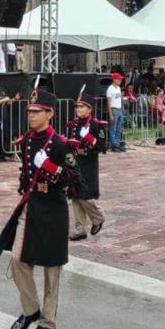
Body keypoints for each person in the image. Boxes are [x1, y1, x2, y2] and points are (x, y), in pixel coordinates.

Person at [0, 89, 81, 329]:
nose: (30, 116)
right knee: (18, 260)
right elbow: (25, 175)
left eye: (36, 112)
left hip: (53, 209)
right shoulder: (28, 141)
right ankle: (30, 309)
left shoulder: (62, 145)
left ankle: (48, 320)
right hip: (31, 207)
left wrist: (50, 167)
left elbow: (75, 182)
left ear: (50, 114)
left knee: (52, 268)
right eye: (29, 111)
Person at [66, 91, 106, 241]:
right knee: (75, 196)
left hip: (88, 163)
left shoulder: (96, 126)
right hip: (75, 163)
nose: (78, 109)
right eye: (77, 107)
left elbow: (102, 147)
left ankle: (99, 217)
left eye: (82, 107)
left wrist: (89, 137)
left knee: (84, 195)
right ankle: (80, 229)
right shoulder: (74, 124)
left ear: (90, 109)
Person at [106, 72, 123, 152]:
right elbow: (109, 102)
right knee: (113, 128)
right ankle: (113, 145)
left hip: (119, 109)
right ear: (114, 79)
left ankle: (117, 144)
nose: (120, 80)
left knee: (119, 128)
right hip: (114, 109)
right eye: (119, 79)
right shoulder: (110, 89)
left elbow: (120, 99)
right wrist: (110, 114)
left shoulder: (118, 88)